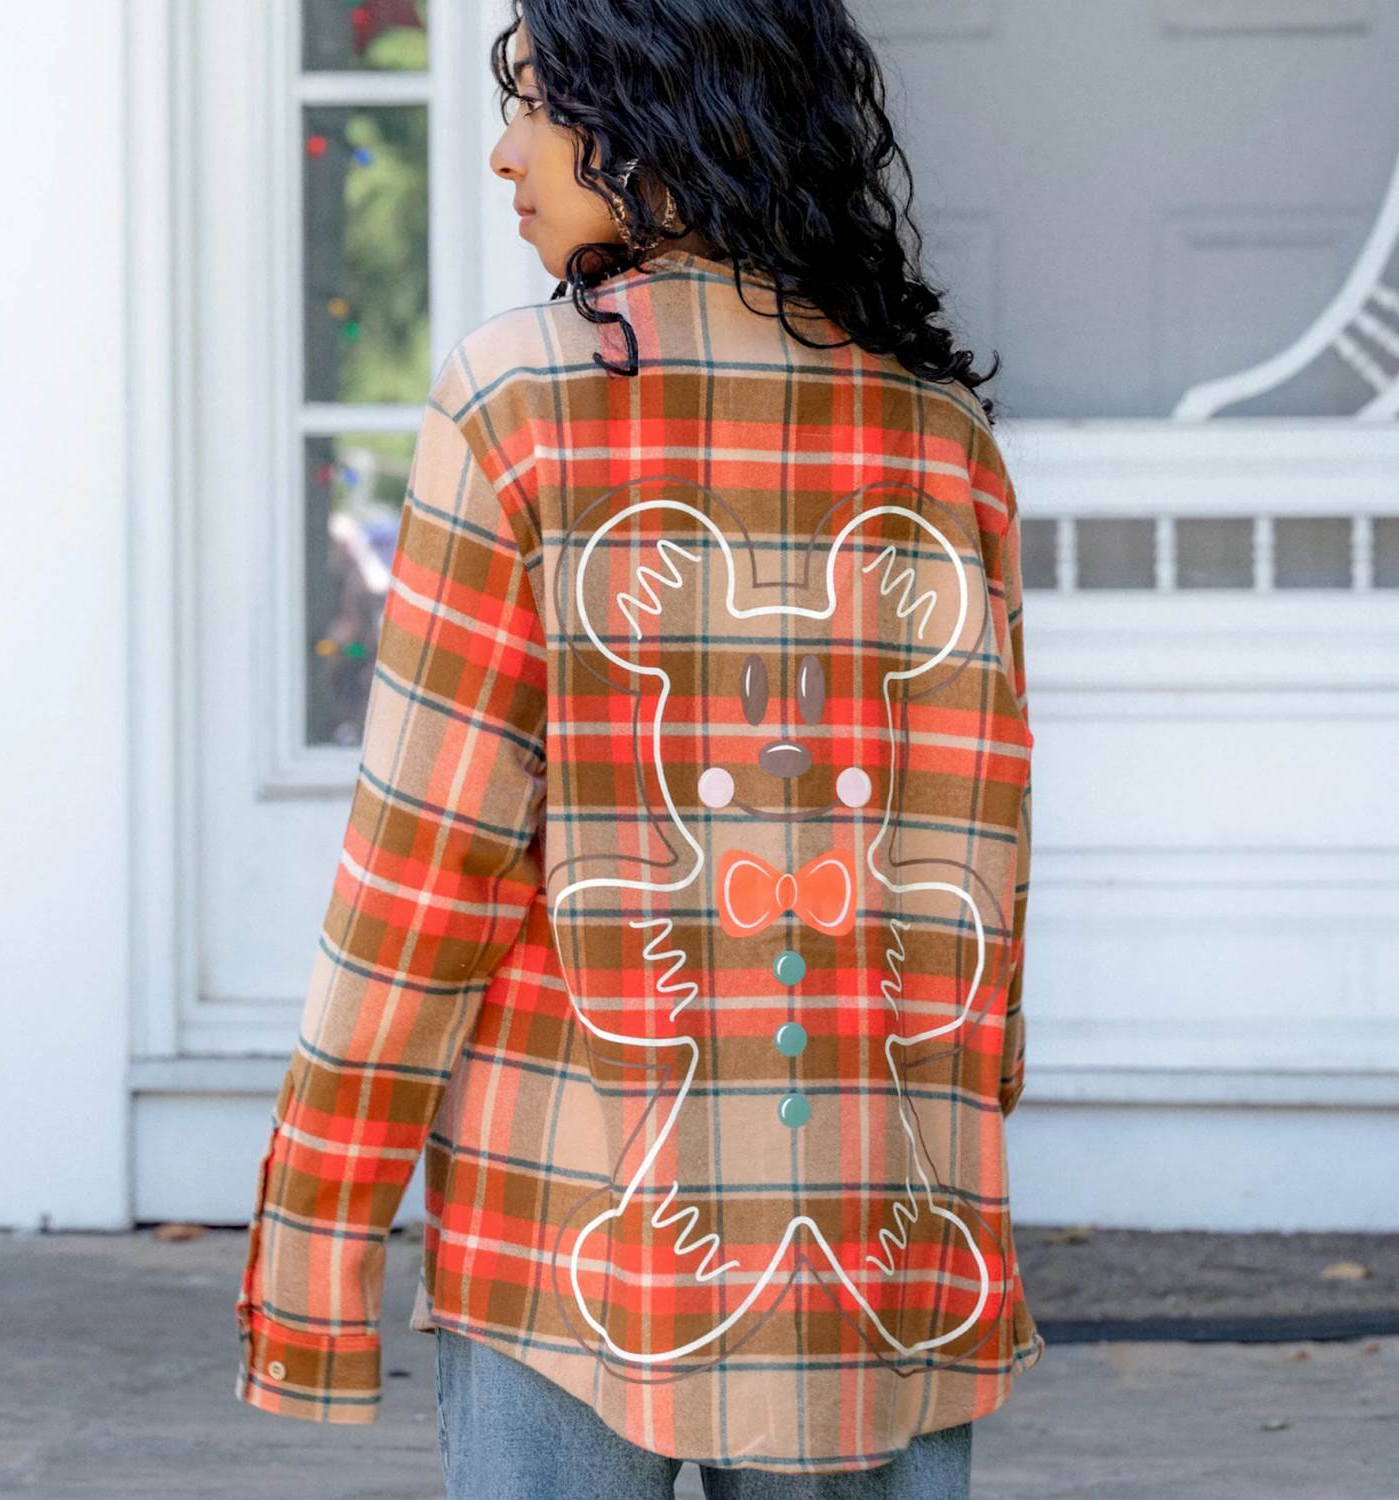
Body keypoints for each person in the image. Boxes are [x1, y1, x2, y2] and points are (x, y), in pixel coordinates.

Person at [235, 2, 1041, 1494]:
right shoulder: (940, 432)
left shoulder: (520, 403)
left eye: (538, 104)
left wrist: (316, 1241)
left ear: (660, 116)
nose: (503, 153)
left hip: (562, 1210)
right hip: (873, 1227)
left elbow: (426, 866)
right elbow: (976, 872)